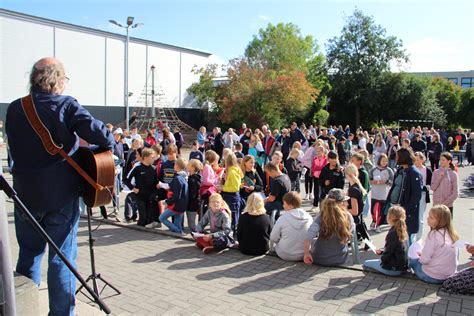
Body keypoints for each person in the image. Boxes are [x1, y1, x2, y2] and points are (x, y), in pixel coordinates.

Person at [6, 57, 114, 315]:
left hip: (24, 196)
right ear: (57, 79)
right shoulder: (66, 105)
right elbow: (103, 136)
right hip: (60, 197)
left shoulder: (14, 108)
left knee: (29, 254)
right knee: (62, 260)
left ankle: (24, 308)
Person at [409, 205, 459, 284]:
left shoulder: (434, 234)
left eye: (431, 217)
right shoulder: (453, 234)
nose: (427, 218)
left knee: (412, 260)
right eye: (429, 216)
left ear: (440, 221)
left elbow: (424, 260)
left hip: (432, 276)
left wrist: (420, 257)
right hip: (450, 275)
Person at [303, 189, 354, 266]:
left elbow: (308, 237)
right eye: (345, 201)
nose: (347, 203)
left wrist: (306, 254)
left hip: (319, 259)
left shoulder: (320, 217)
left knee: (315, 241)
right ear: (341, 203)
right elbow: (351, 236)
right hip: (339, 259)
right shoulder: (348, 217)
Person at [362, 206, 409, 276]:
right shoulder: (403, 229)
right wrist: (382, 251)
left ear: (390, 217)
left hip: (394, 269)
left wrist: (381, 259)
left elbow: (388, 253)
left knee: (366, 263)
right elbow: (396, 248)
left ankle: (373, 279)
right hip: (402, 266)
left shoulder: (393, 233)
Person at [270, 192, 313, 261]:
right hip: (304, 253)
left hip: (285, 254)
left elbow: (273, 238)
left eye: (284, 204)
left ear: (290, 206)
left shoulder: (282, 218)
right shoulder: (309, 217)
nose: (283, 206)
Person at [124, 148, 159, 226]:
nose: (154, 159)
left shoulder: (153, 169)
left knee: (149, 220)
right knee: (143, 219)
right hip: (140, 196)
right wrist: (133, 188)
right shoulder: (138, 168)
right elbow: (126, 179)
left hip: (150, 197)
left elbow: (156, 182)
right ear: (146, 157)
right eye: (152, 157)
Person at [159, 158, 189, 234]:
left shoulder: (177, 178)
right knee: (177, 223)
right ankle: (178, 231)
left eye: (175, 164)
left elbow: (176, 195)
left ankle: (179, 231)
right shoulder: (184, 177)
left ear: (178, 166)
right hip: (182, 205)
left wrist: (167, 202)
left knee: (162, 218)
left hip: (176, 205)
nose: (174, 166)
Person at [345, 164, 371, 245]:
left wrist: (342, 209)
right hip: (357, 219)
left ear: (349, 175)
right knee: (365, 237)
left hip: (354, 220)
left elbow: (355, 211)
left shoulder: (353, 190)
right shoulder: (356, 187)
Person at [368, 154, 394, 232]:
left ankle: (378, 225)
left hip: (384, 194)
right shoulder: (373, 170)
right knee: (373, 209)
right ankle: (374, 221)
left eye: (386, 161)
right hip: (375, 193)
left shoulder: (389, 170)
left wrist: (386, 181)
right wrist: (373, 182)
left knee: (381, 211)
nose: (384, 162)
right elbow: (369, 180)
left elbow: (392, 182)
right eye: (383, 161)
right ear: (379, 161)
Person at [431, 152, 459, 217]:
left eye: (443, 160)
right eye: (440, 160)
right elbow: (432, 188)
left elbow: (455, 193)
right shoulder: (436, 172)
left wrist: (445, 203)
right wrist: (439, 178)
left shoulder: (453, 174)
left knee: (446, 226)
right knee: (435, 225)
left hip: (447, 206)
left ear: (449, 161)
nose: (441, 161)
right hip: (436, 205)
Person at [414, 152, 432, 240]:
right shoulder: (412, 169)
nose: (416, 162)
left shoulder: (427, 170)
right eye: (414, 160)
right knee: (412, 216)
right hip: (413, 195)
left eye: (418, 160)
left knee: (420, 216)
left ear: (422, 160)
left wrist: (426, 187)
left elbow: (430, 183)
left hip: (422, 194)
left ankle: (418, 238)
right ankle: (411, 236)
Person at [187, 159, 203, 231]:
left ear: (193, 168)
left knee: (191, 224)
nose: (187, 166)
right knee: (191, 222)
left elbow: (192, 194)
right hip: (194, 202)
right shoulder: (195, 178)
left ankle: (197, 234)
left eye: (188, 165)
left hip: (192, 203)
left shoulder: (192, 180)